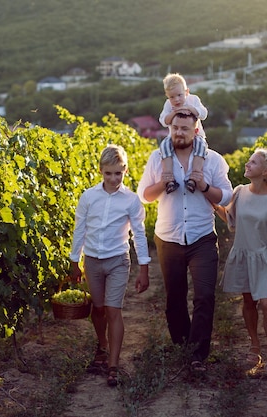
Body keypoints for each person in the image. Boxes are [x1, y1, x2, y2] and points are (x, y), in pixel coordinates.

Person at [137, 111, 233, 372]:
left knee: (204, 296)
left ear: (196, 131)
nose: (179, 133)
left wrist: (203, 186)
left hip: (202, 237)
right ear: (171, 129)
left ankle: (197, 356)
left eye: (185, 129)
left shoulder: (213, 160)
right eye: (175, 128)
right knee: (174, 299)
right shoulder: (158, 159)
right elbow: (144, 196)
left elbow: (225, 196)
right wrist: (160, 184)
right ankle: (183, 347)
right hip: (168, 238)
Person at [214, 148, 267, 376]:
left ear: (266, 171)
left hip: (266, 258)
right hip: (244, 255)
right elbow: (230, 219)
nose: (247, 164)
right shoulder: (240, 192)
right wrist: (212, 204)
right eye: (249, 161)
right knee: (248, 301)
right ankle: (255, 346)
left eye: (253, 162)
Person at [69, 144, 151, 387]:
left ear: (125, 170)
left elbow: (139, 234)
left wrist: (144, 267)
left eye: (118, 173)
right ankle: (102, 345)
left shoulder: (131, 200)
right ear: (100, 171)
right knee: (99, 308)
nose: (114, 178)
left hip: (118, 261)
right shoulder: (88, 197)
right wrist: (75, 261)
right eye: (109, 173)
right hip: (92, 261)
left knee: (113, 309)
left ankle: (113, 365)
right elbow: (80, 230)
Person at [158, 73, 209, 194]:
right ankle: (169, 178)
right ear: (167, 96)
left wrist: (191, 109)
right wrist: (174, 113)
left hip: (196, 135)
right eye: (172, 97)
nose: (176, 100)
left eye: (180, 95)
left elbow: (204, 114)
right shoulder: (168, 105)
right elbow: (163, 121)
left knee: (201, 146)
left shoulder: (193, 100)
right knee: (165, 146)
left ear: (187, 92)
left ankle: (194, 176)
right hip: (175, 138)